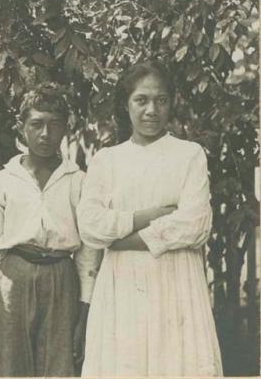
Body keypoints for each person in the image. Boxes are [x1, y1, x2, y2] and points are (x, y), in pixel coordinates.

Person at [77, 60, 223, 376]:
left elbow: (195, 225)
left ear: (171, 104)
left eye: (160, 100)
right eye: (141, 100)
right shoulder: (107, 160)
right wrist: (152, 215)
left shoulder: (189, 155)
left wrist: (119, 238)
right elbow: (90, 226)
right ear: (125, 105)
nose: (151, 110)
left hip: (176, 281)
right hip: (123, 285)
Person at [0, 85, 103, 377]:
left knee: (59, 366)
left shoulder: (78, 181)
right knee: (10, 366)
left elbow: (87, 254)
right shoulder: (4, 180)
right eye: (36, 124)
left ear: (65, 129)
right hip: (13, 277)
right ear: (22, 127)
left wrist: (84, 315)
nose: (45, 133)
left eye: (54, 125)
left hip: (61, 276)